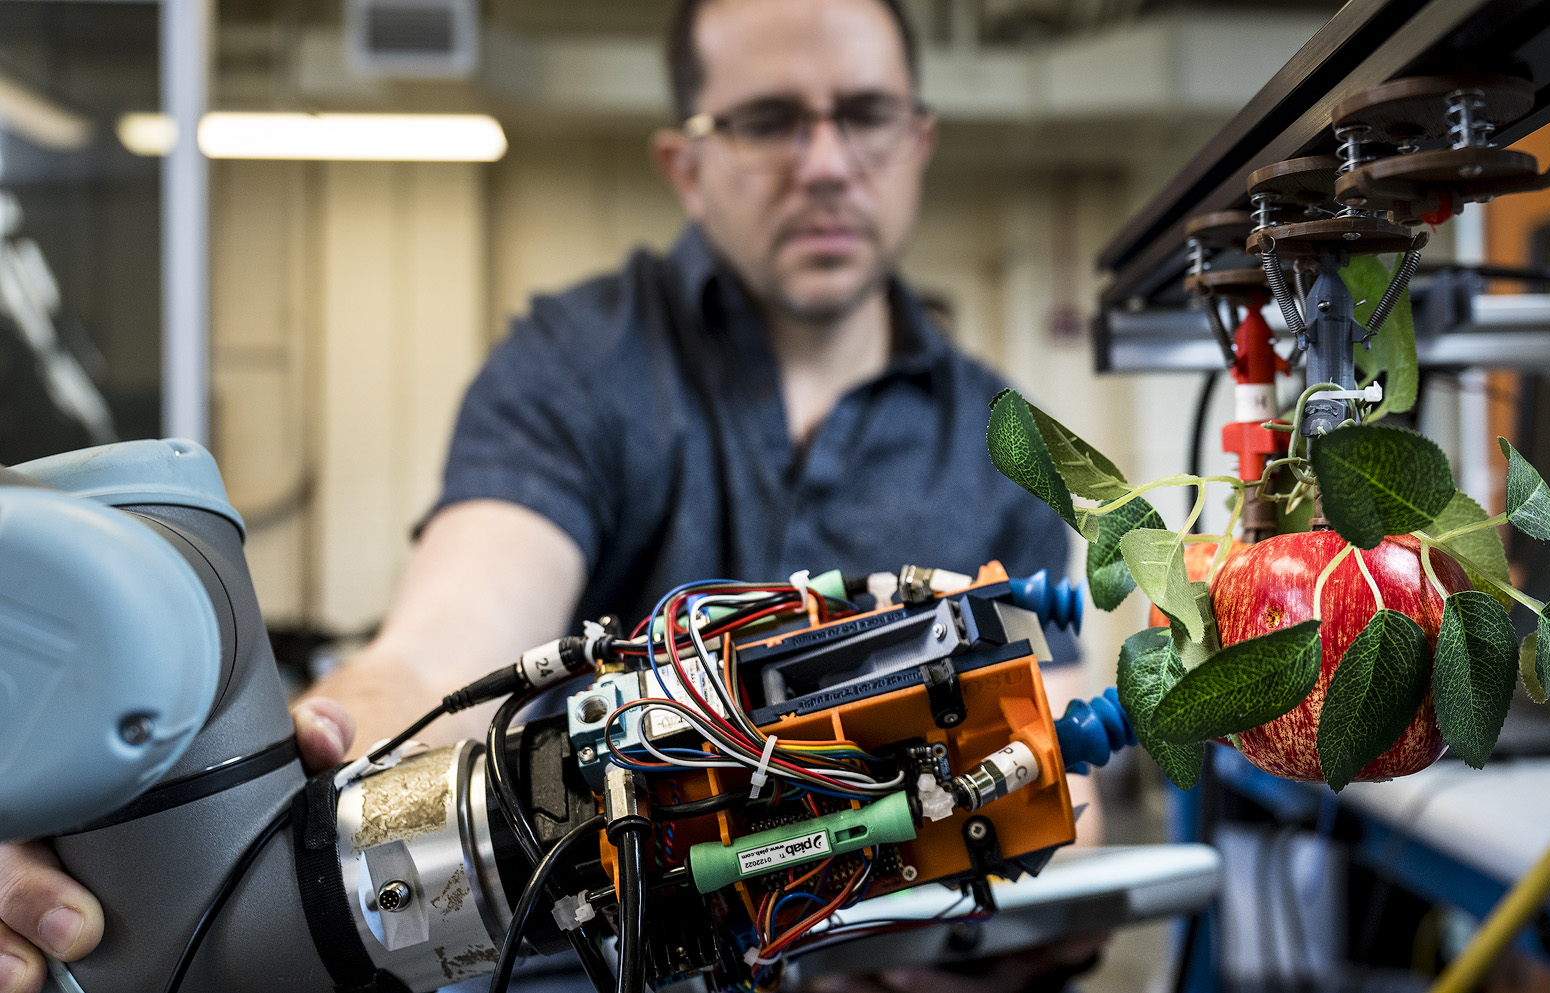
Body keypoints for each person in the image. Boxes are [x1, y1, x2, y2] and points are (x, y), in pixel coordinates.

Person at [0, 1, 1097, 991]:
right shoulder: (579, 365)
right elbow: (447, 648)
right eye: (767, 120)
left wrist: (996, 901)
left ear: (918, 139)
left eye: (862, 115)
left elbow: (1045, 756)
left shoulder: (998, 435)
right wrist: (278, 778)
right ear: (684, 163)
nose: (824, 163)